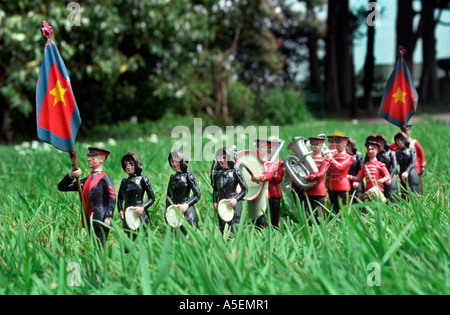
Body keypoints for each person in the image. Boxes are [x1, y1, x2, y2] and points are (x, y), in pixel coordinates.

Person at [58, 147, 116, 246]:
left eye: (93, 158)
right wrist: (71, 176)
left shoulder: (105, 179)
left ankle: (101, 258)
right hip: (88, 217)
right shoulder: (86, 180)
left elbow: (112, 198)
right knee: (93, 242)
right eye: (89, 157)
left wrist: (108, 216)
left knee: (100, 242)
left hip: (100, 217)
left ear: (102, 160)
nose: (89, 159)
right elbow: (62, 187)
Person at [117, 152, 155, 239]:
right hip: (127, 215)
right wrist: (120, 210)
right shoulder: (124, 181)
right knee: (128, 237)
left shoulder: (143, 179)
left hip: (140, 213)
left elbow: (151, 198)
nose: (128, 167)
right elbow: (120, 198)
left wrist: (142, 207)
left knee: (142, 237)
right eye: (126, 165)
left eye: (131, 164)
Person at [249, 139, 285, 228]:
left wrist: (260, 177)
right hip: (254, 192)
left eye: (262, 147)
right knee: (254, 212)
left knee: (264, 213)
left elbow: (269, 175)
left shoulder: (270, 164)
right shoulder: (254, 163)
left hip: (265, 193)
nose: (258, 149)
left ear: (267, 150)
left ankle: (266, 229)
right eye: (257, 147)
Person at [212, 147, 248, 234]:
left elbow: (245, 189)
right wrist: (215, 202)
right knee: (223, 227)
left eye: (224, 158)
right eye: (220, 158)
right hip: (222, 204)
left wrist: (235, 199)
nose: (221, 161)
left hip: (233, 203)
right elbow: (215, 189)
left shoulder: (235, 171)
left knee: (234, 227)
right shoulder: (219, 174)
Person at [166, 150, 201, 235]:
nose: (174, 164)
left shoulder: (188, 175)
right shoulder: (172, 177)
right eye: (172, 161)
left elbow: (197, 194)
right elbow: (168, 196)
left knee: (188, 231)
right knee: (175, 233)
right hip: (174, 211)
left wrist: (186, 205)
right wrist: (167, 210)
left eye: (176, 161)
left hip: (187, 210)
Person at [303, 136, 331, 221]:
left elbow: (321, 174)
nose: (314, 148)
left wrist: (309, 177)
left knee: (319, 212)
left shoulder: (325, 160)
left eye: (317, 145)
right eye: (312, 146)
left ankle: (319, 227)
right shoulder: (308, 159)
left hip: (319, 190)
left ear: (322, 146)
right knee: (308, 211)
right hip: (308, 189)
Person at [327, 135, 355, 212]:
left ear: (345, 143)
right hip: (333, 185)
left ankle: (344, 222)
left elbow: (340, 167)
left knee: (343, 208)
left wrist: (330, 159)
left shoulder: (349, 157)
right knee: (335, 206)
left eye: (338, 143)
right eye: (336, 143)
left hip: (342, 186)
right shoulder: (333, 156)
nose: (336, 145)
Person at [394, 131, 422, 197]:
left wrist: (407, 172)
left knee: (412, 189)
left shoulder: (411, 150)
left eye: (401, 140)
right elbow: (396, 163)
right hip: (402, 172)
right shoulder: (397, 152)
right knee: (403, 189)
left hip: (411, 172)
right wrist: (397, 174)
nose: (400, 142)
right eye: (398, 140)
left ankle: (414, 201)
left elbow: (412, 162)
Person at [374, 134, 400, 202]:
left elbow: (394, 167)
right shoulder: (376, 154)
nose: (379, 145)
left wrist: (389, 177)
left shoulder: (390, 153)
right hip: (379, 177)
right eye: (377, 143)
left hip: (389, 174)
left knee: (392, 192)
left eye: (381, 143)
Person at [346, 138, 365, 203]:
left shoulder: (357, 156)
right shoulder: (344, 156)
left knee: (357, 197)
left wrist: (357, 180)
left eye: (348, 145)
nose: (346, 147)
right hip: (347, 181)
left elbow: (361, 169)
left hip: (356, 179)